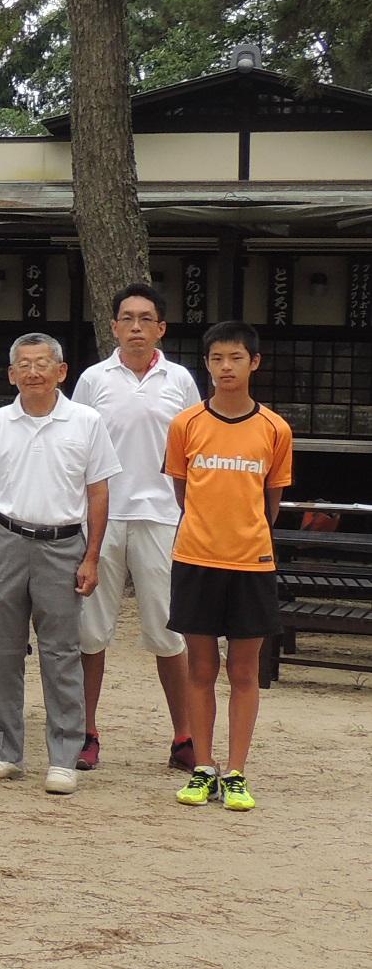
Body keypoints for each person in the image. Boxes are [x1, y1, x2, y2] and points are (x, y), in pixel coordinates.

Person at [0, 334, 119, 795]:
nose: (33, 372)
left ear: (61, 371)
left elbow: (98, 493)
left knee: (61, 654)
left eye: (42, 363)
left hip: (63, 544)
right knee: (4, 652)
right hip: (6, 541)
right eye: (23, 365)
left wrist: (92, 556)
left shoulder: (86, 422)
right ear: (11, 374)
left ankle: (63, 757)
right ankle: (6, 752)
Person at [70, 283, 204, 771]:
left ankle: (185, 737)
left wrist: (191, 513)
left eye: (146, 318)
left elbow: (195, 447)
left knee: (169, 630)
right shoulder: (93, 379)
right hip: (100, 517)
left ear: (161, 328)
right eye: (126, 318)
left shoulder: (180, 380)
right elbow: (75, 446)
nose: (136, 327)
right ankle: (85, 733)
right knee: (90, 631)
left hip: (162, 516)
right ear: (113, 327)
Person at [166, 321, 291, 813]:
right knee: (200, 667)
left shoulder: (275, 429)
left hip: (252, 564)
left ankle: (236, 772)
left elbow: (271, 501)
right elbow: (182, 493)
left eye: (236, 358)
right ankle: (203, 766)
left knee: (244, 670)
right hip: (195, 558)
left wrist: (244, 535)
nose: (226, 367)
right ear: (206, 364)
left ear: (254, 362)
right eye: (217, 358)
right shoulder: (186, 424)